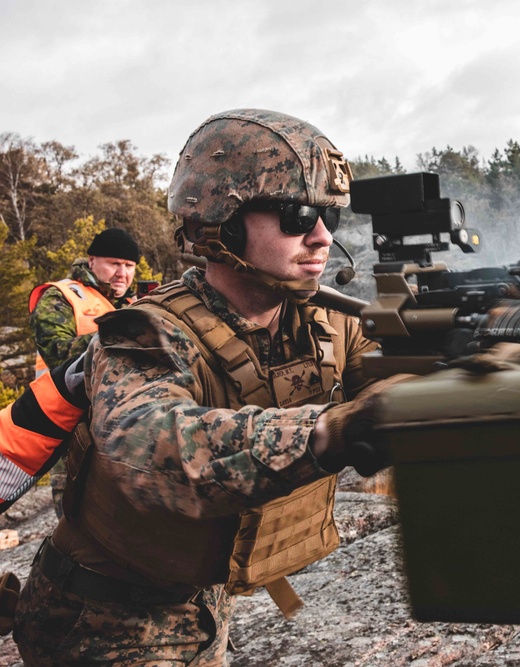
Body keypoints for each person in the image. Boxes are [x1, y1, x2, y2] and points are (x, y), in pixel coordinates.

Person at [13, 109, 407, 666]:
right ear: (220, 222)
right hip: (102, 623)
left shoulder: (324, 322)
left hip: (205, 602)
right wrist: (332, 430)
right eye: (296, 215)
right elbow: (152, 450)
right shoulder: (144, 333)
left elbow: (402, 376)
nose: (320, 237)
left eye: (328, 219)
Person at [27, 227, 140, 517]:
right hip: (70, 429)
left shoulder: (130, 304)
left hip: (122, 430)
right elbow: (56, 351)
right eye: (114, 264)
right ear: (91, 261)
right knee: (73, 522)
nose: (122, 273)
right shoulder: (60, 296)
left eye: (129, 266)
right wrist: (120, 332)